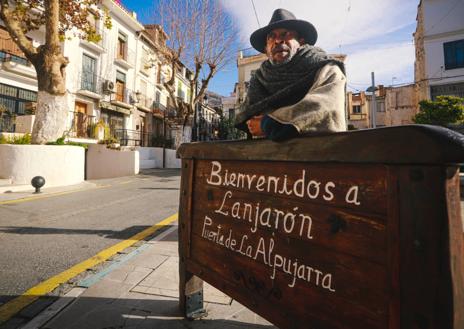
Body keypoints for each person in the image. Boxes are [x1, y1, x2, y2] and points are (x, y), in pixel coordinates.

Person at [235, 8, 347, 141]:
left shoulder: (326, 69)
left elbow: (326, 108)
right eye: (271, 36)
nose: (278, 40)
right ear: (266, 49)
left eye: (285, 34)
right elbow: (250, 120)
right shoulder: (259, 79)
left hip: (320, 155)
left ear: (301, 41)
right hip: (267, 158)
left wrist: (267, 124)